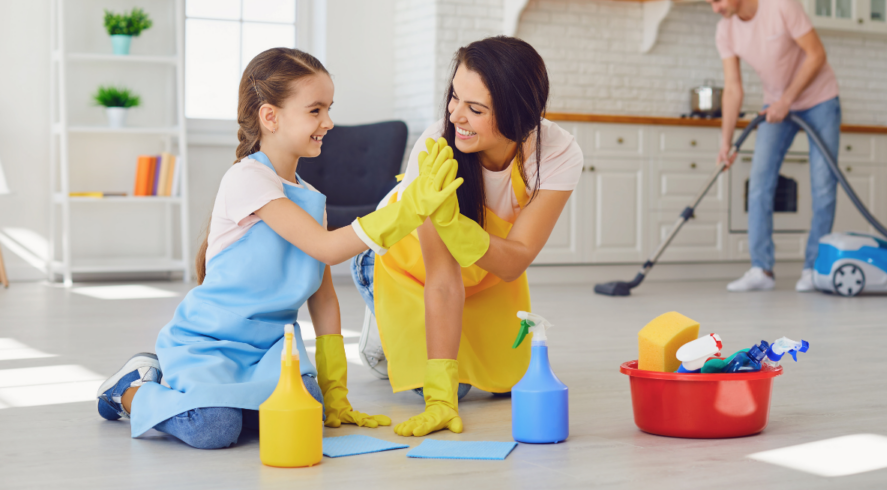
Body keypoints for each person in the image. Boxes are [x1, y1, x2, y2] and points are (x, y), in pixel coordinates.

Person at [95, 47, 463, 449]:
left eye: (329, 108)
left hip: (272, 349)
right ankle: (132, 388)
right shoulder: (248, 180)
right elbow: (326, 249)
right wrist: (406, 210)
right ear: (270, 117)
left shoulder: (311, 199)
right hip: (212, 344)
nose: (329, 121)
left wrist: (335, 392)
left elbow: (323, 298)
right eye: (315, 110)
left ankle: (223, 397)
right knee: (215, 429)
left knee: (306, 415)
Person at [352, 36, 584, 437]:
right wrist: (440, 396)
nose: (455, 114)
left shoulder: (558, 153)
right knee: (453, 385)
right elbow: (441, 279)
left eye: (475, 109)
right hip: (404, 266)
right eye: (454, 97)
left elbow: (515, 260)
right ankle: (377, 345)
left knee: (506, 381)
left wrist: (458, 228)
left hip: (483, 270)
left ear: (519, 117)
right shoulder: (436, 146)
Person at [699, 0, 841, 292]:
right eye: (711, 3)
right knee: (760, 183)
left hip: (819, 101)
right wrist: (726, 141)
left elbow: (816, 54)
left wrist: (788, 99)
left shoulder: (780, 6)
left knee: (823, 185)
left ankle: (813, 269)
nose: (715, 8)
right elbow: (733, 87)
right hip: (775, 108)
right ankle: (761, 270)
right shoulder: (726, 30)